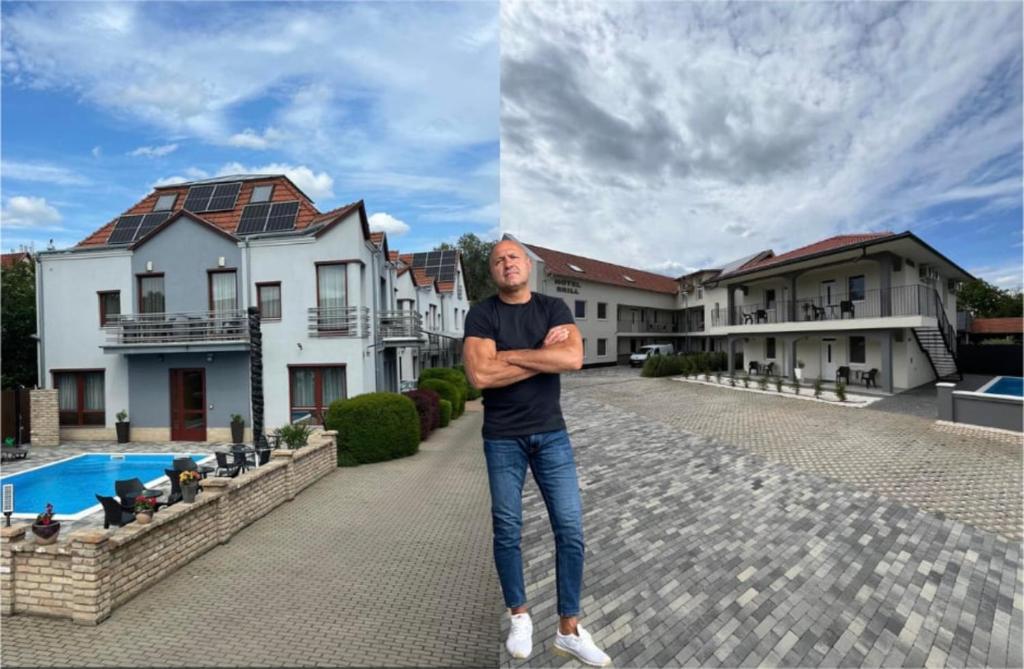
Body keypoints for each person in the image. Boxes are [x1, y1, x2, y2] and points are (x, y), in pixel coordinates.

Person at [463, 238, 611, 667]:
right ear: (492, 272)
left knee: (571, 528)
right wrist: (541, 355)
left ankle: (569, 630)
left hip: (551, 434)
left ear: (527, 265)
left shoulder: (553, 309)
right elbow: (479, 374)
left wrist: (508, 356)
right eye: (498, 260)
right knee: (507, 528)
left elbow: (574, 358)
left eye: (513, 257)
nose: (506, 264)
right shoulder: (482, 313)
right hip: (502, 437)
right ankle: (520, 615)